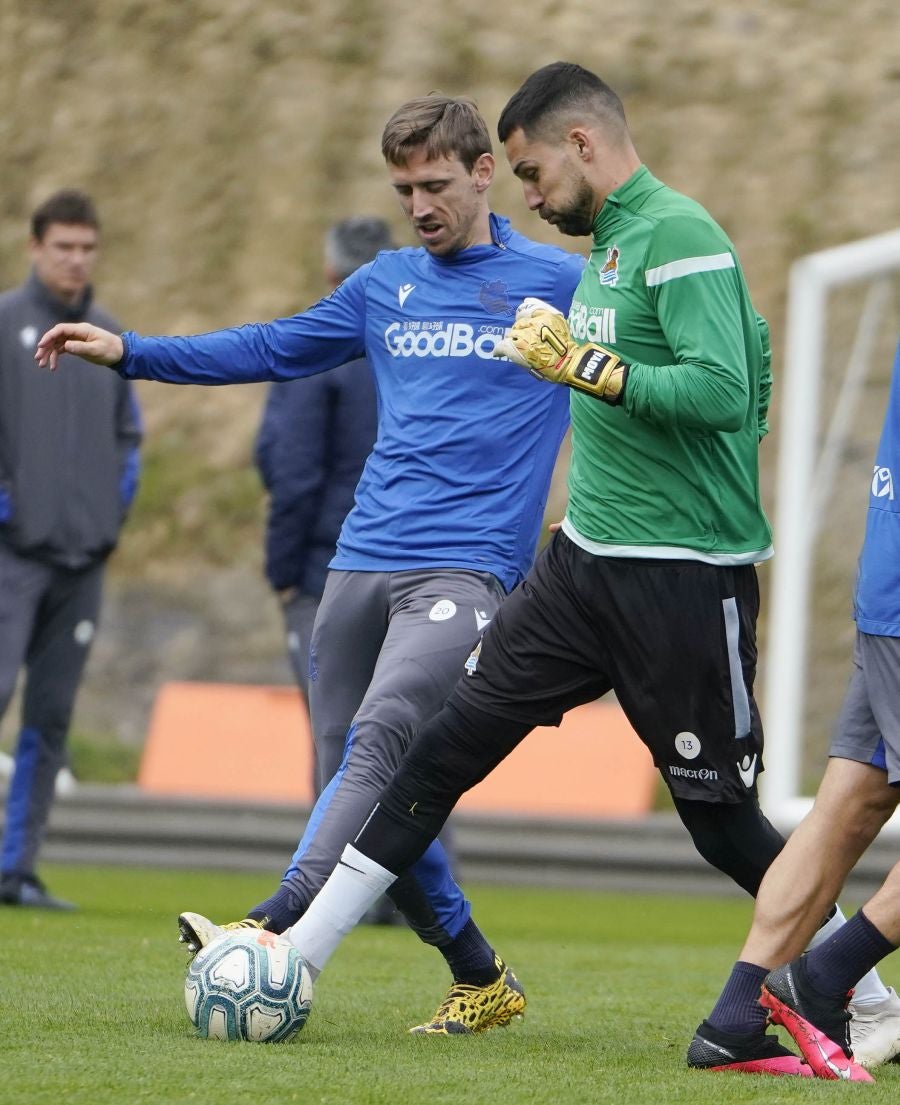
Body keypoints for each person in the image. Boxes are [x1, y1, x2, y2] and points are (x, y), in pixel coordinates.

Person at [171, 62, 900, 1064]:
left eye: (528, 172)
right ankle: (298, 955)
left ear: (582, 147)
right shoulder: (603, 247)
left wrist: (583, 367)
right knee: (438, 750)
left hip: (682, 580)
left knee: (722, 822)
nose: (525, 195)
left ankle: (865, 992)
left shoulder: (679, 233)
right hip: (580, 568)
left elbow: (726, 388)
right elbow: (752, 351)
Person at [35, 95, 585, 1033]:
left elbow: (658, 362)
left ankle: (269, 922)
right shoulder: (384, 284)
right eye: (404, 187)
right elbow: (270, 347)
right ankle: (478, 970)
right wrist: (132, 352)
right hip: (359, 559)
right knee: (359, 776)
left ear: (486, 173)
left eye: (437, 184)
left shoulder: (561, 283)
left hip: (462, 572)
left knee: (377, 742)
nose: (420, 203)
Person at [685, 336, 900, 1082]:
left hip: (888, 592)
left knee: (845, 811)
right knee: (840, 813)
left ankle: (735, 1018)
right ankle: (820, 978)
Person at [0, 189, 141, 910]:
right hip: (12, 559)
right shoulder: (3, 326)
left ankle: (14, 871)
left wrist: (107, 521)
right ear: (35, 248)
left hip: (82, 565)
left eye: (87, 247)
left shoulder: (105, 335)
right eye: (64, 246)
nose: (76, 259)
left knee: (49, 722)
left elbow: (129, 440)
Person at [254, 216, 391, 795]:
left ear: (332, 270)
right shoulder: (424, 343)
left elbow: (292, 469)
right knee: (403, 742)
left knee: (337, 745)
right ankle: (431, 886)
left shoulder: (317, 343)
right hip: (419, 567)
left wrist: (284, 573)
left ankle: (332, 885)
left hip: (328, 571)